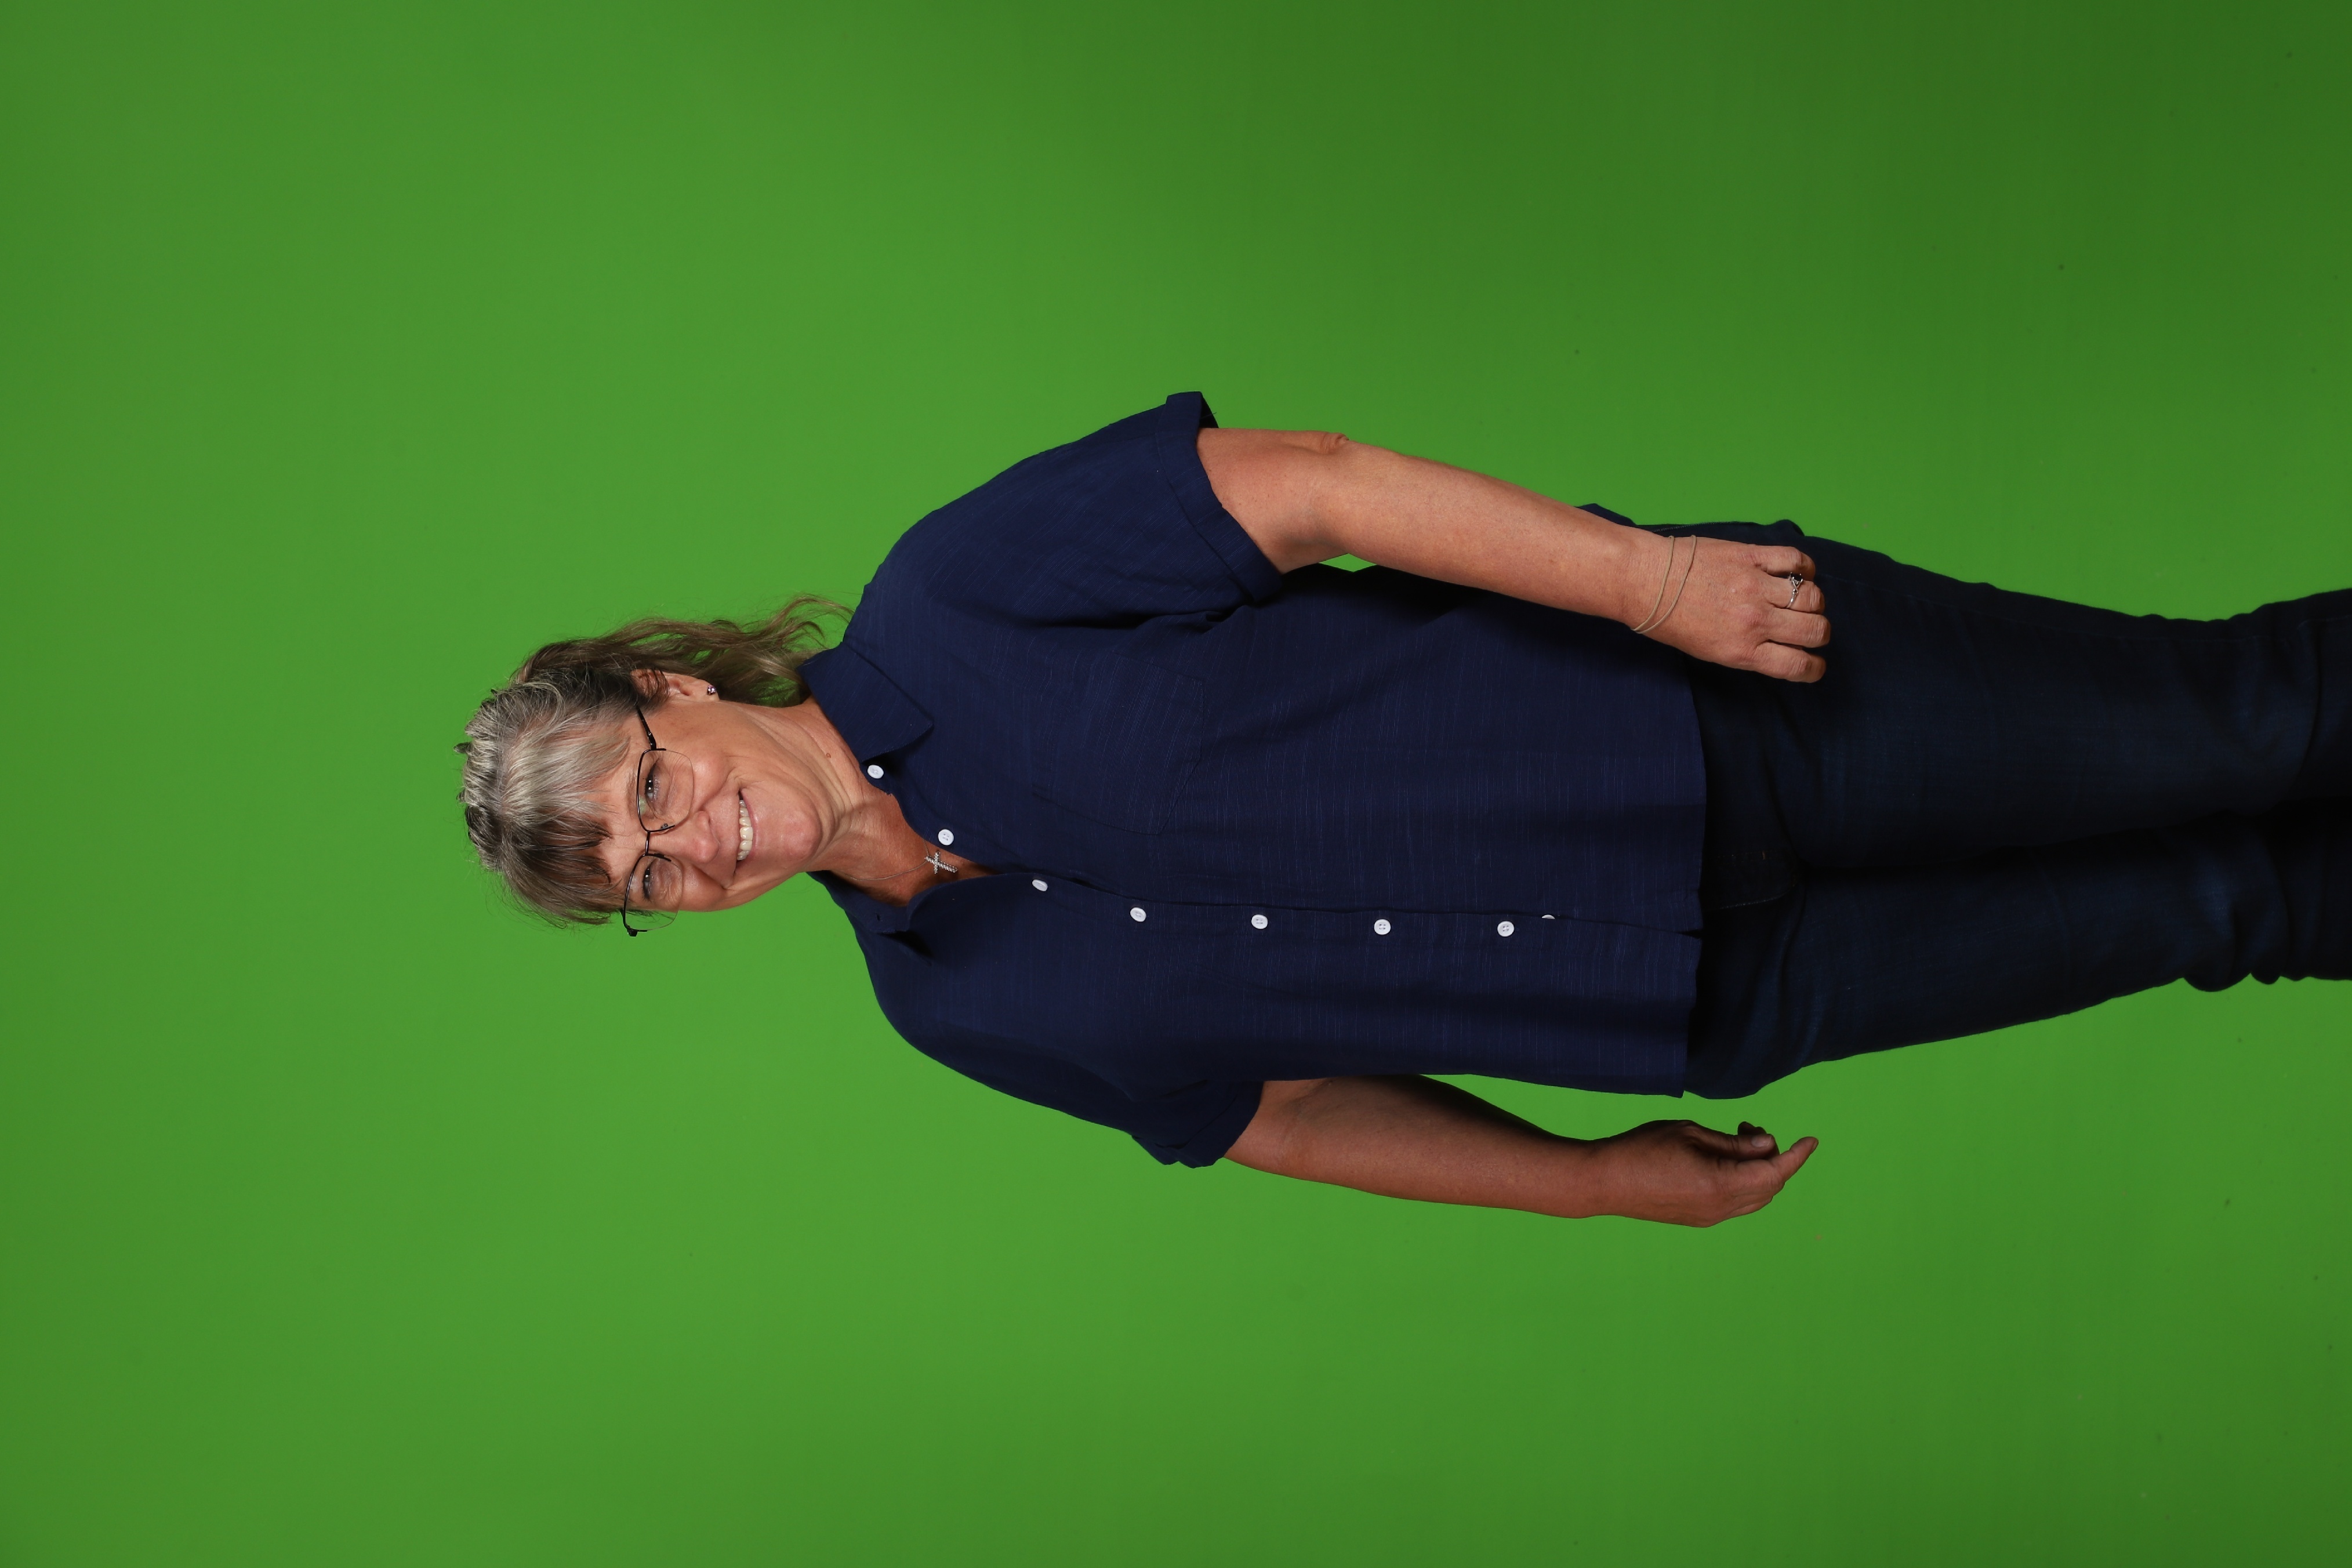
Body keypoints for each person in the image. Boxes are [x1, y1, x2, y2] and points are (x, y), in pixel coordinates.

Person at [456, 394, 2352, 1227]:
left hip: (1720, 714)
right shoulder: (943, 1007)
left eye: (651, 792)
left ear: (677, 693)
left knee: (2244, 724)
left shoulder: (961, 591)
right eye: (641, 878)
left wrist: (1652, 580)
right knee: (2223, 919)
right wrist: (1587, 1180)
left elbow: (1319, 488)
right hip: (1702, 998)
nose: (689, 848)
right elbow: (1277, 1118)